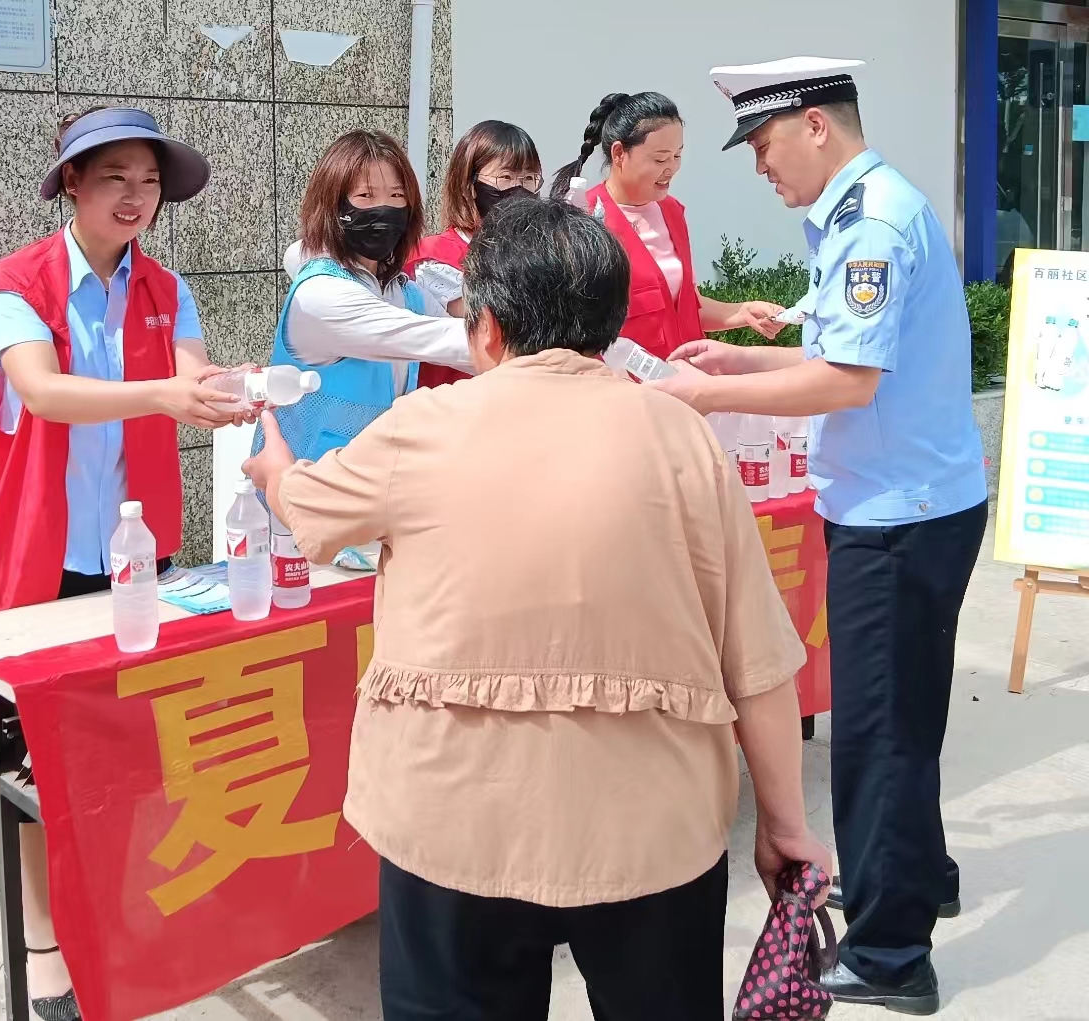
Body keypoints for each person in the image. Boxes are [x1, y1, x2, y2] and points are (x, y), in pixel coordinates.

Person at [243, 196, 830, 1020]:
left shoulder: (422, 428)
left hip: (454, 825)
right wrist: (784, 822)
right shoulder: (682, 438)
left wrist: (272, 463)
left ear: (484, 327)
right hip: (651, 832)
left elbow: (306, 510)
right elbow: (758, 659)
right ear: (609, 322)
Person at [653, 57, 988, 1015]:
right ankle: (918, 874)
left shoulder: (870, 220)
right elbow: (847, 347)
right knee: (906, 714)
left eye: (762, 146)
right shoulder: (865, 207)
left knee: (879, 734)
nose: (760, 168)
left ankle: (890, 953)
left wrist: (706, 389)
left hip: (898, 517)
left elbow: (849, 383)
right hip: (912, 501)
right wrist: (740, 352)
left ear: (812, 125)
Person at [0, 106, 252, 1021]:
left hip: (138, 552)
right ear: (71, 184)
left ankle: (118, 916)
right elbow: (44, 391)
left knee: (132, 748)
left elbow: (196, 375)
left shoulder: (165, 288)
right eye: (116, 180)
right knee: (31, 769)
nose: (136, 198)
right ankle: (46, 950)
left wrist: (241, 391)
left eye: (149, 182)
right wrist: (169, 393)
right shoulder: (16, 282)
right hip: (34, 557)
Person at [265, 130, 475, 465]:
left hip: (374, 484)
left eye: (396, 195)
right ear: (332, 205)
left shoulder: (405, 293)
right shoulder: (320, 295)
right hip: (305, 489)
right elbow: (444, 339)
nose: (385, 209)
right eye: (365, 195)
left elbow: (473, 348)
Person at [549, 92, 786, 358]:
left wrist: (742, 311)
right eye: (660, 159)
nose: (671, 168)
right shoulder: (585, 219)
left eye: (677, 156)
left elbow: (684, 306)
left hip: (687, 379)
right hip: (626, 388)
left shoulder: (671, 212)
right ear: (619, 153)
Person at [403, 119, 544, 387]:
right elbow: (494, 326)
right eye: (505, 178)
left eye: (528, 178)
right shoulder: (432, 256)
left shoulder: (534, 254)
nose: (520, 189)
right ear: (469, 186)